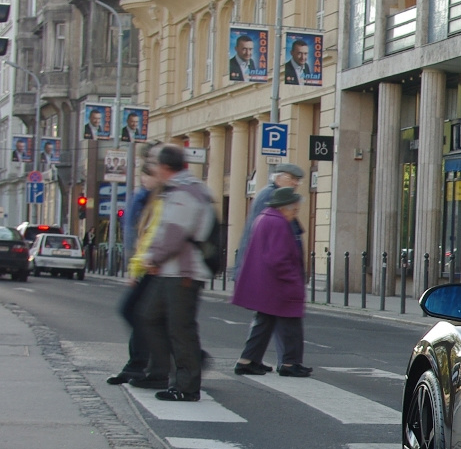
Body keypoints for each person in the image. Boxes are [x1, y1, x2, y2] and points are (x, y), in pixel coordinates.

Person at [131, 144, 215, 402]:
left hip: (183, 271)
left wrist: (151, 258)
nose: (154, 169)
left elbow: (174, 232)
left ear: (165, 167)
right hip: (170, 269)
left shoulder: (185, 192)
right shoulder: (177, 189)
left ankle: (187, 385)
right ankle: (167, 371)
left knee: (181, 328)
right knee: (148, 316)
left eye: (156, 164)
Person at [232, 188, 311, 377]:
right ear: (285, 207)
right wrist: (293, 280)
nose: (295, 214)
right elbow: (278, 257)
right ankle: (290, 363)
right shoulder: (278, 223)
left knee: (264, 321)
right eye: (294, 210)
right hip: (278, 283)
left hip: (266, 282)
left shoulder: (265, 217)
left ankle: (247, 360)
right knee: (290, 322)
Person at [109, 161, 162, 385]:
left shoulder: (160, 200)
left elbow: (154, 236)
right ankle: (137, 365)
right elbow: (140, 237)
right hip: (146, 266)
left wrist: (141, 263)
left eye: (147, 176)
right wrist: (135, 267)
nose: (143, 180)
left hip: (156, 267)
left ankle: (146, 363)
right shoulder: (145, 199)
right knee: (140, 316)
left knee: (137, 314)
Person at [234, 162, 304, 276]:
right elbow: (266, 237)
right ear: (278, 177)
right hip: (261, 273)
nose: (296, 183)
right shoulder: (271, 196)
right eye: (291, 178)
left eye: (298, 180)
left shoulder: (280, 197)